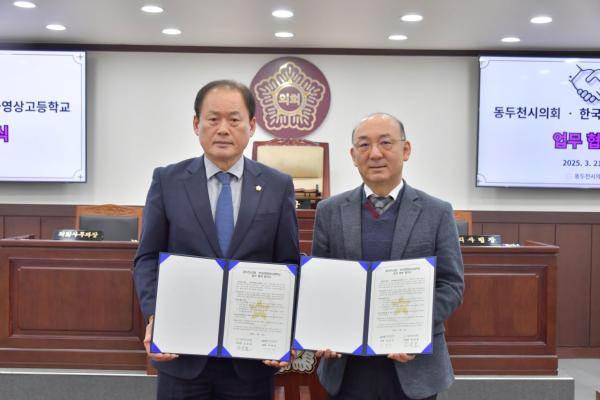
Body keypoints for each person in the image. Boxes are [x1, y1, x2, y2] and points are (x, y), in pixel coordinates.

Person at [134, 79, 299, 400]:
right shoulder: (168, 180)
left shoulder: (278, 186)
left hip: (250, 359)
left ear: (251, 126)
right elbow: (148, 257)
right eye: (213, 119)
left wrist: (283, 331)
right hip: (182, 354)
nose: (223, 129)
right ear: (197, 124)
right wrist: (156, 316)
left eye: (234, 120)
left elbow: (288, 264)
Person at [312, 113, 464, 400]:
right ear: (353, 155)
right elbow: (319, 284)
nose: (375, 154)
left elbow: (451, 285)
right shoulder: (329, 211)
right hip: (347, 366)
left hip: (413, 364)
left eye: (385, 143)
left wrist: (414, 329)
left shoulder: (437, 212)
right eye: (364, 145)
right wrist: (323, 329)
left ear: (405, 150)